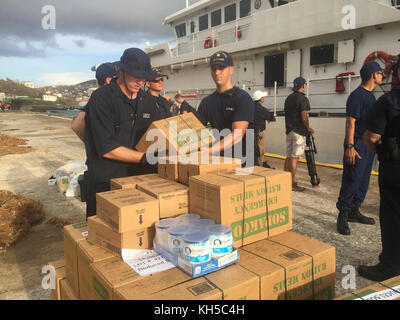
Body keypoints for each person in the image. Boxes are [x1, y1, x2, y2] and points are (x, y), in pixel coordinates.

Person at [83, 48, 161, 219]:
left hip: (138, 182)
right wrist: (144, 158)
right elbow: (107, 148)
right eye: (136, 75)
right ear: (123, 71)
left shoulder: (147, 101)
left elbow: (156, 133)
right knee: (102, 235)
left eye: (144, 77)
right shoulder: (101, 98)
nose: (140, 81)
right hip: (105, 183)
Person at [358, 59, 400, 281]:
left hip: (394, 166)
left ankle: (391, 266)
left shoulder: (388, 101)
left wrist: (381, 152)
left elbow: (371, 137)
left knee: (393, 215)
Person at [336, 61, 384, 236]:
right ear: (373, 75)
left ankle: (354, 211)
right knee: (352, 179)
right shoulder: (358, 96)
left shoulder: (371, 96)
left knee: (363, 179)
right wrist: (350, 146)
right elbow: (350, 122)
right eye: (380, 73)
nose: (382, 76)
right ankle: (343, 214)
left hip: (368, 145)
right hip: (356, 143)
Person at [196, 51, 255, 166]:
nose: (217, 72)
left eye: (221, 68)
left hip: (243, 162)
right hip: (220, 161)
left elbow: (237, 134)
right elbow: (195, 129)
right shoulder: (207, 102)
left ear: (231, 70)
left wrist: (210, 150)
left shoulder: (242, 98)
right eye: (214, 69)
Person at [71, 62, 119, 142]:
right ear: (109, 80)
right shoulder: (109, 98)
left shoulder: (95, 98)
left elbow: (76, 126)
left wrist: (92, 144)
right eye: (118, 78)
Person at [283, 77, 314, 192]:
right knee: (295, 158)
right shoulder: (303, 99)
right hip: (299, 132)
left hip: (289, 131)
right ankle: (291, 183)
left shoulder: (288, 98)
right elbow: (304, 117)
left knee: (288, 156)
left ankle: (285, 180)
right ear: (303, 86)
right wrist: (308, 128)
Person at [252, 90, 276, 168]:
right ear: (260, 99)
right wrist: (270, 118)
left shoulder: (249, 107)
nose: (263, 98)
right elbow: (272, 118)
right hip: (258, 133)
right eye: (262, 97)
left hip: (248, 132)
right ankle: (259, 167)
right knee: (260, 151)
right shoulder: (262, 109)